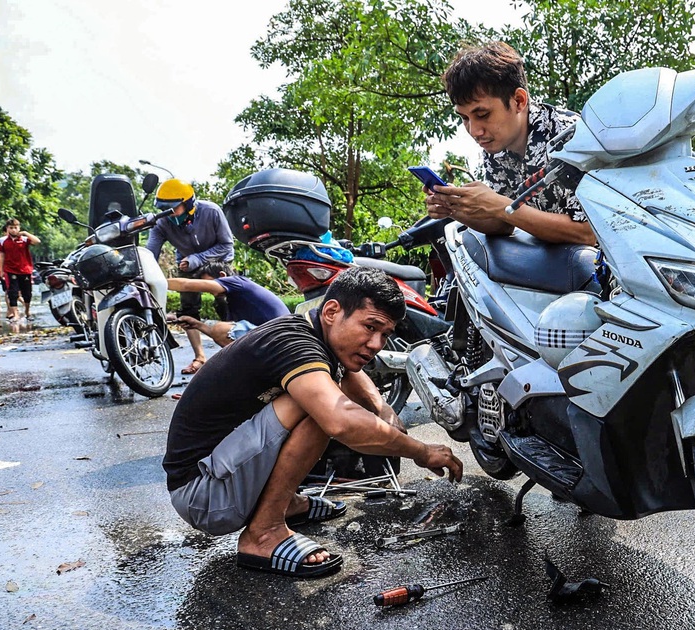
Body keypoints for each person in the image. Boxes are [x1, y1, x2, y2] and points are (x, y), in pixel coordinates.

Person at [162, 266, 463, 578]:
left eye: (384, 334)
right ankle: (263, 534)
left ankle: (284, 503)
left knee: (324, 395)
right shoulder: (294, 343)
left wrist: (382, 408)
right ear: (332, 311)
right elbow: (341, 421)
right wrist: (420, 451)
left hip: (219, 473)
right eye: (370, 327)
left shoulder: (312, 332)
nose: (376, 344)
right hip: (204, 496)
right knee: (322, 409)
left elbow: (353, 374)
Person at [424, 41, 596, 246]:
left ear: (519, 101)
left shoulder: (570, 136)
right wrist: (457, 208)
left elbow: (587, 233)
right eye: (465, 118)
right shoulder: (495, 146)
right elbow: (504, 224)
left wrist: (499, 206)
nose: (474, 131)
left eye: (482, 114)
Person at [144, 178, 235, 374]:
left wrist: (197, 259)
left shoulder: (211, 211)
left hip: (218, 260)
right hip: (187, 263)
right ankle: (199, 357)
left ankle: (235, 350)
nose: (169, 214)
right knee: (189, 310)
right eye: (163, 209)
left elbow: (226, 245)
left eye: (173, 208)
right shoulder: (161, 223)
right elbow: (151, 253)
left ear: (188, 204)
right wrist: (143, 269)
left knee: (225, 303)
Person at [166, 261, 289, 349]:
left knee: (220, 329)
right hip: (275, 337)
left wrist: (154, 281)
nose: (208, 291)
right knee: (222, 332)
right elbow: (226, 337)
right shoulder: (231, 302)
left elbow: (185, 285)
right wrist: (197, 325)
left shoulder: (236, 282)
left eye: (207, 283)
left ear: (222, 276)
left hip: (282, 336)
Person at [0, 218, 41, 321]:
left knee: (27, 293)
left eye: (15, 228)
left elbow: (37, 241)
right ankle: (15, 313)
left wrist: (25, 233)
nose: (13, 230)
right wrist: (1, 270)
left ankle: (27, 311)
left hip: (25, 269)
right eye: (11, 228)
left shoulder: (24, 239)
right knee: (12, 292)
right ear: (7, 229)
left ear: (19, 228)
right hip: (10, 269)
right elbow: (2, 255)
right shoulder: (2, 241)